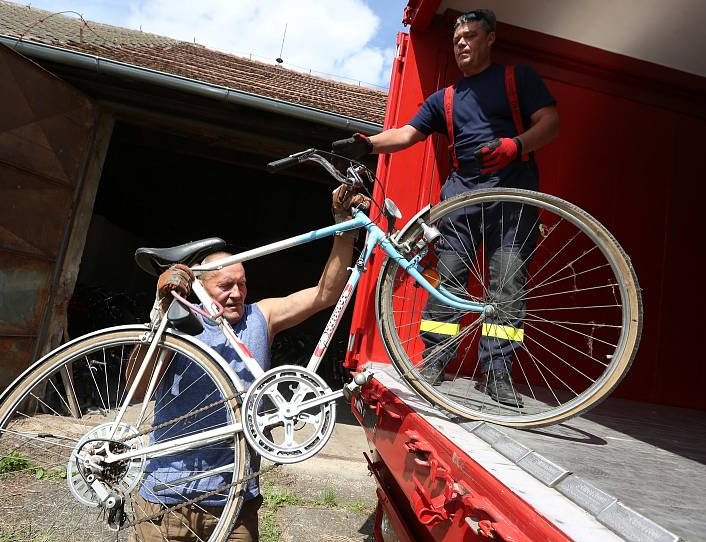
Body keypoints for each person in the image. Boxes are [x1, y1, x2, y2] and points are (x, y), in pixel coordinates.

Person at [332, 9, 559, 408]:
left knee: (507, 286)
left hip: (514, 195)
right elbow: (405, 134)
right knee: (446, 280)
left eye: (471, 36)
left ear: (490, 38)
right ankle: (435, 360)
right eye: (457, 40)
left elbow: (550, 122)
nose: (462, 44)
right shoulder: (445, 99)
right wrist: (368, 144)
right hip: (460, 197)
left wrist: (516, 145)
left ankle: (496, 373)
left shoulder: (518, 78)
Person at [128, 185, 370, 542]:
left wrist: (345, 229)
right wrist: (162, 313)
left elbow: (325, 294)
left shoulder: (260, 317)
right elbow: (137, 384)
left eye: (242, 284)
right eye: (226, 285)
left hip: (236, 496)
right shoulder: (179, 324)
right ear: (200, 286)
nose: (237, 293)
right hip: (167, 498)